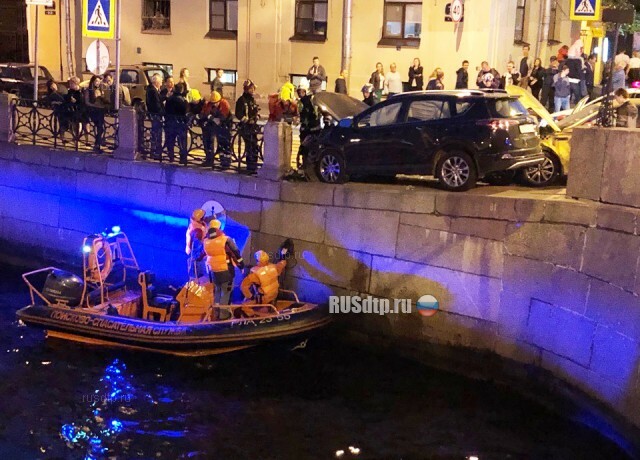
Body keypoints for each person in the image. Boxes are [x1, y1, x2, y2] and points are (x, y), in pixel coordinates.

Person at [204, 219, 245, 305]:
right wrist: (241, 265)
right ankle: (224, 316)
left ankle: (215, 313)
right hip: (226, 271)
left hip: (213, 271)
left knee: (217, 292)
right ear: (219, 228)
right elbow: (235, 253)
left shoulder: (206, 241)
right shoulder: (226, 240)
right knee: (226, 293)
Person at [200, 90, 233, 167]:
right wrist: (212, 118)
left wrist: (218, 119)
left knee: (225, 144)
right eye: (213, 103)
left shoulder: (224, 104)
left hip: (225, 127)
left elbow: (224, 116)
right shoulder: (209, 104)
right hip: (214, 127)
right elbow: (205, 113)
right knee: (210, 142)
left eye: (216, 102)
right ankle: (211, 160)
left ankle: (226, 162)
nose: (215, 104)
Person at [235, 79, 260, 173]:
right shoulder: (241, 100)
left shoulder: (252, 99)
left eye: (253, 89)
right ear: (247, 89)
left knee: (255, 145)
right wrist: (247, 120)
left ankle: (254, 164)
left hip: (253, 127)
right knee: (249, 146)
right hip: (246, 128)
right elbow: (238, 114)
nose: (253, 90)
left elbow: (254, 111)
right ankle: (250, 165)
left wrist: (256, 116)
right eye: (251, 89)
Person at [164, 82, 189, 164]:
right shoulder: (183, 100)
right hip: (180, 124)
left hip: (170, 122)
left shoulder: (169, 99)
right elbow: (185, 112)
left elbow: (166, 110)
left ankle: (171, 156)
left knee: (170, 140)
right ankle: (183, 158)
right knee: (182, 141)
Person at [83, 75, 108, 153]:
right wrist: (94, 105)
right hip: (93, 110)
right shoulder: (89, 90)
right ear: (93, 82)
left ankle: (98, 143)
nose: (98, 83)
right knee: (99, 127)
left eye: (99, 81)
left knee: (101, 128)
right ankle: (97, 144)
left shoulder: (100, 90)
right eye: (96, 81)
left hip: (100, 110)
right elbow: (87, 102)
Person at [145, 73, 165, 159]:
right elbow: (156, 105)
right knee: (156, 133)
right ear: (156, 82)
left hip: (154, 114)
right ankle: (156, 152)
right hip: (156, 115)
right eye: (160, 81)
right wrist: (162, 112)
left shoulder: (152, 90)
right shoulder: (153, 91)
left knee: (156, 133)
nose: (161, 83)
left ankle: (155, 151)